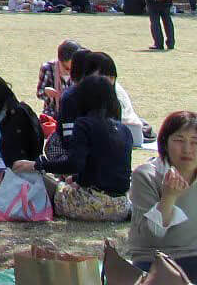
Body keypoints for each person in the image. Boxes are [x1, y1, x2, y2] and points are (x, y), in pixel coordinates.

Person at [11, 74, 134, 220]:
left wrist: (37, 165)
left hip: (92, 205)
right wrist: (76, 178)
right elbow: (107, 166)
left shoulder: (84, 124)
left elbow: (74, 164)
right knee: (64, 184)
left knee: (41, 180)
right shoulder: (124, 130)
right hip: (121, 206)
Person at [124, 111, 197, 276]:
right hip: (154, 260)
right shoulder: (146, 176)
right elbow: (152, 238)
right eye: (179, 140)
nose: (187, 149)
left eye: (195, 142)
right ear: (164, 144)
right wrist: (169, 196)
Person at [37, 39, 84, 118]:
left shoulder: (82, 68)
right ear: (62, 61)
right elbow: (39, 93)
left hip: (75, 114)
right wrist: (46, 92)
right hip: (52, 114)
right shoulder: (48, 68)